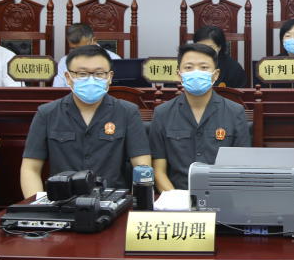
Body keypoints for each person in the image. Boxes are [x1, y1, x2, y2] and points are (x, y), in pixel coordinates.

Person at [20, 45, 150, 197]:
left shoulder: (127, 112)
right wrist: (38, 205)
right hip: (62, 201)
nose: (91, 80)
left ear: (109, 77)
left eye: (99, 73)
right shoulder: (47, 113)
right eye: (82, 74)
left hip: (112, 200)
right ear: (68, 78)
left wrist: (138, 204)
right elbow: (30, 169)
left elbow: (142, 165)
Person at [150, 43, 250, 191]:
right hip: (177, 196)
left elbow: (241, 168)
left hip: (222, 196)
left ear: (215, 75)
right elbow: (158, 171)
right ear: (179, 74)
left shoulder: (235, 112)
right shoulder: (162, 113)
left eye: (204, 67)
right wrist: (178, 199)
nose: (196, 73)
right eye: (189, 67)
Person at [52, 23, 122, 87]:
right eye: (73, 49)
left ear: (93, 41)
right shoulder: (64, 62)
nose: (78, 53)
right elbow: (57, 90)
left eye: (82, 48)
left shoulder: (114, 59)